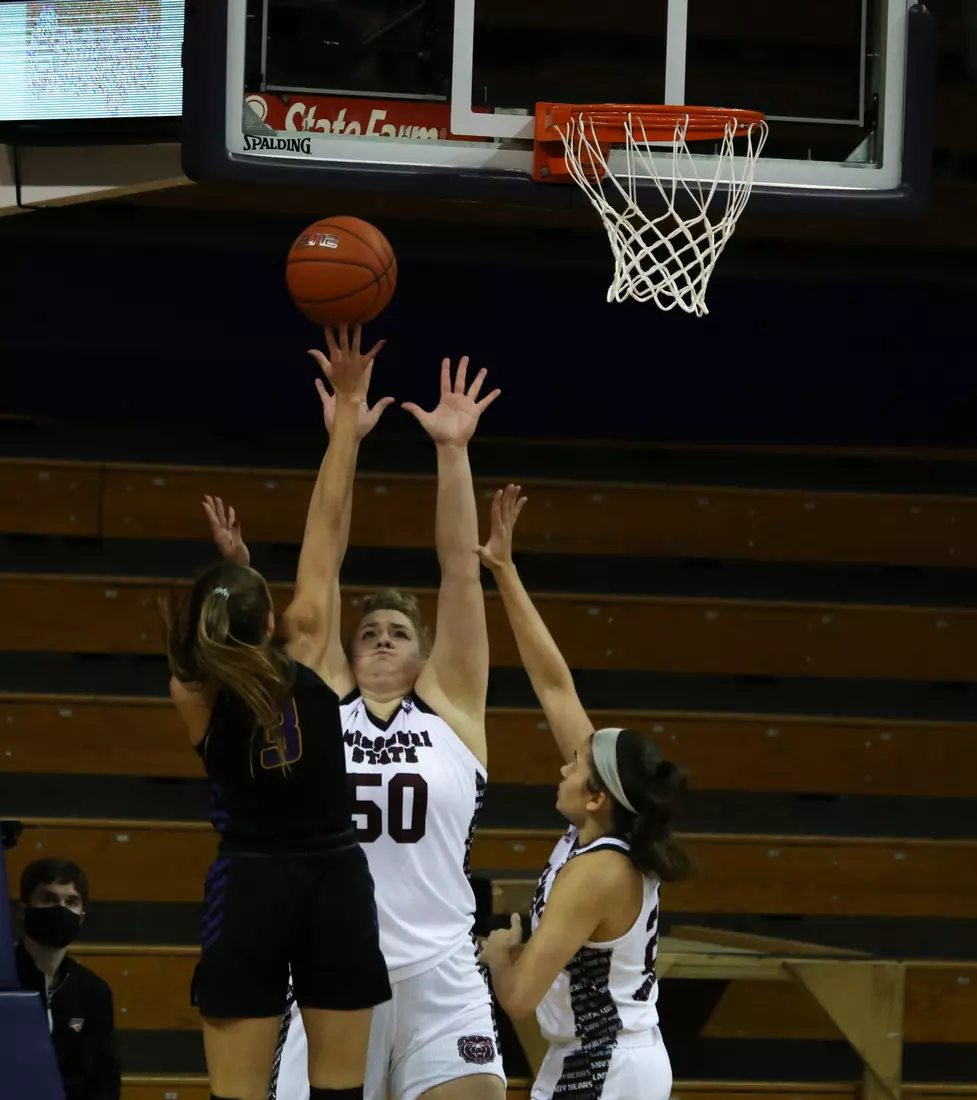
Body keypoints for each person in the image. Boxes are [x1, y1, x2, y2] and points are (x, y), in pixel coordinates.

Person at [207, 356, 505, 1100]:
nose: (380, 638)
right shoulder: (321, 704)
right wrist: (345, 433)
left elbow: (459, 573)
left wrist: (452, 451)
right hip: (329, 972)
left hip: (440, 974)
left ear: (427, 654)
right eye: (368, 630)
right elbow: (326, 557)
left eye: (398, 632)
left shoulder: (453, 709)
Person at [166, 325, 392, 1100]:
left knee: (236, 1094)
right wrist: (347, 416)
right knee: (339, 1092)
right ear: (272, 618)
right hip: (334, 878)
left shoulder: (193, 689)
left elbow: (220, 639)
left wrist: (232, 576)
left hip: (250, 883)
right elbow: (326, 529)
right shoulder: (312, 647)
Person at [475, 485, 694, 1100]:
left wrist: (501, 952)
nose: (562, 767)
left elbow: (519, 997)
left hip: (606, 1064)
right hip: (597, 1057)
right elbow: (554, 685)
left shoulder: (596, 872)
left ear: (598, 796)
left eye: (574, 766)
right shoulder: (604, 826)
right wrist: (504, 570)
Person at [15, 858, 122, 1100]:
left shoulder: (93, 991)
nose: (60, 909)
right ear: (24, 910)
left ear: (81, 917)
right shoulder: (5, 980)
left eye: (71, 902)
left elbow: (104, 1077)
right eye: (48, 899)